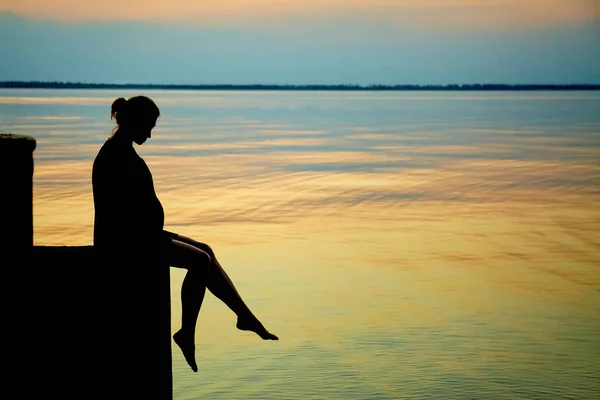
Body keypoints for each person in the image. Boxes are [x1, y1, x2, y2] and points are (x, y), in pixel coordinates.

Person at [92, 95, 278, 373]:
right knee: (200, 260)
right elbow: (118, 212)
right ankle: (186, 333)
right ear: (135, 122)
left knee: (206, 249)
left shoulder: (122, 150)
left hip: (141, 235)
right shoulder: (115, 156)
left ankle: (245, 317)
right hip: (126, 243)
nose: (150, 135)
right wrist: (155, 234)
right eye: (149, 127)